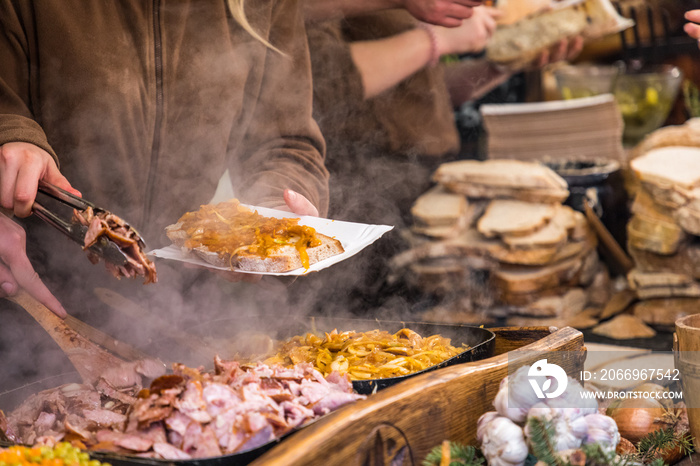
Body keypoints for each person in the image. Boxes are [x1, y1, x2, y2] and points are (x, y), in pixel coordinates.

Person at [0, 0, 328, 320]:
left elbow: (285, 145)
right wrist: (10, 132)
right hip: (21, 299)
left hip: (173, 311)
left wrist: (272, 210)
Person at [294, 3, 582, 316]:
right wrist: (435, 39)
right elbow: (318, 83)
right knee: (352, 332)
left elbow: (422, 93)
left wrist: (503, 65)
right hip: (354, 199)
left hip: (419, 194)